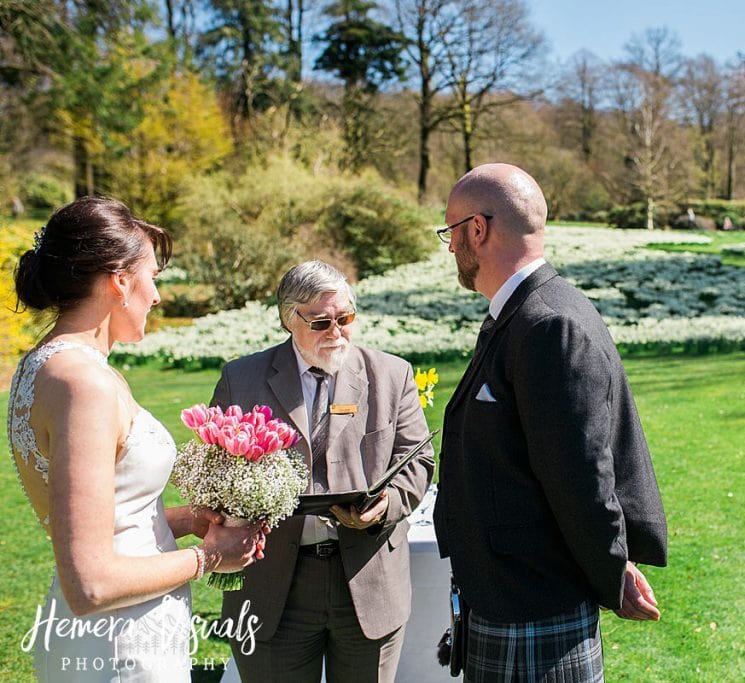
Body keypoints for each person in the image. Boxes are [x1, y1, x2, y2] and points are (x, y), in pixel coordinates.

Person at [8, 196, 264, 682]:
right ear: (119, 281)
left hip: (103, 635)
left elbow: (89, 523)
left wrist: (186, 520)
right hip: (118, 646)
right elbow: (91, 581)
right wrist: (210, 556)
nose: (158, 296)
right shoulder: (82, 383)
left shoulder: (42, 366)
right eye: (153, 277)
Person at [433, 163, 669, 681]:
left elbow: (581, 476)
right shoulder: (522, 313)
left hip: (531, 604)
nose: (449, 247)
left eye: (450, 231)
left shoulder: (548, 323)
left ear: (478, 229)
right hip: (507, 597)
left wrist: (612, 572)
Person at [210, 260, 434, 683]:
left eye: (345, 318)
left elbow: (418, 460)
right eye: (320, 322)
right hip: (273, 582)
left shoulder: (391, 373)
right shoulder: (241, 379)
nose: (336, 332)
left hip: (367, 581)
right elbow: (217, 469)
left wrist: (385, 504)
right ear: (287, 319)